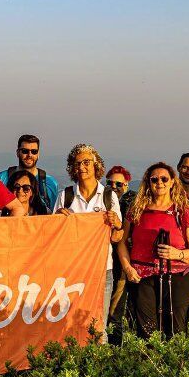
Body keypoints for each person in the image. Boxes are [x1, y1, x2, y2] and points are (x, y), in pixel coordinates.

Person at [115, 163, 189, 337]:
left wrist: (178, 254)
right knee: (146, 330)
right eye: (154, 179)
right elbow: (122, 242)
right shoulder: (137, 210)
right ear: (148, 183)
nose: (159, 183)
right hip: (142, 275)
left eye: (164, 179)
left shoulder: (183, 212)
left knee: (176, 330)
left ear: (172, 182)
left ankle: (174, 363)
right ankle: (149, 362)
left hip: (179, 276)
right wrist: (128, 268)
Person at [53, 144, 124, 339]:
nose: (82, 167)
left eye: (86, 162)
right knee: (68, 322)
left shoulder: (109, 197)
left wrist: (117, 224)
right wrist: (58, 219)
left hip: (102, 270)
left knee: (98, 323)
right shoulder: (65, 196)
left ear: (96, 166)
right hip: (72, 270)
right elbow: (54, 238)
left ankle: (98, 366)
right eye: (77, 164)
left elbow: (117, 238)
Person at [0, 134, 59, 216]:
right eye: (25, 151)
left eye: (34, 151)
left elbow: (53, 214)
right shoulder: (1, 179)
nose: (29, 155)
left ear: (38, 154)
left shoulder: (50, 183)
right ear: (18, 153)